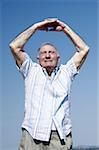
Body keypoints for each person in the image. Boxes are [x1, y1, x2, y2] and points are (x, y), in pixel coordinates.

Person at [9, 18, 89, 150]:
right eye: (43, 53)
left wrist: (65, 29)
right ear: (38, 58)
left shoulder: (66, 71)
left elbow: (84, 49)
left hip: (59, 137)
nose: (47, 56)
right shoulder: (31, 70)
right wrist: (36, 27)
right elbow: (15, 46)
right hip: (31, 135)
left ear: (58, 57)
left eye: (51, 52)